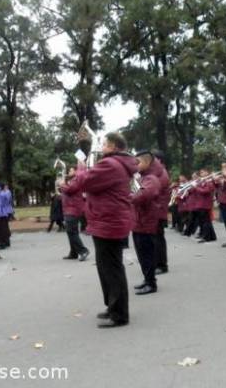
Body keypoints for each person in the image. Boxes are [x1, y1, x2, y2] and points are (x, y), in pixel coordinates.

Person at [72, 132, 137, 328]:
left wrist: (81, 168)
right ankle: (112, 306)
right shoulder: (116, 163)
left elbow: (84, 182)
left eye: (105, 144)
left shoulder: (110, 164)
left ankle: (119, 314)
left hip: (109, 222)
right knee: (107, 267)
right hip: (108, 221)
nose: (102, 147)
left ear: (115, 147)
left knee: (111, 269)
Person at [132, 151, 161, 295]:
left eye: (138, 162)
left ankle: (151, 283)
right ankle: (146, 279)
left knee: (147, 255)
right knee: (141, 254)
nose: (135, 165)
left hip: (147, 222)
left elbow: (141, 197)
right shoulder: (142, 178)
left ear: (147, 163)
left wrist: (127, 194)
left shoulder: (152, 179)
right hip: (138, 221)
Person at [60, 166, 90, 261]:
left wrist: (62, 185)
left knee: (71, 231)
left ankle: (83, 250)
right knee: (72, 231)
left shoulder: (77, 179)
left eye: (71, 170)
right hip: (69, 208)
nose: (69, 171)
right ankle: (73, 252)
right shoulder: (71, 180)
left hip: (73, 209)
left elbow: (70, 190)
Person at [152, 151, 171, 275]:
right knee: (155, 238)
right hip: (156, 210)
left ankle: (162, 264)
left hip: (158, 210)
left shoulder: (161, 174)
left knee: (158, 238)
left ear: (159, 160)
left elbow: (154, 190)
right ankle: (157, 262)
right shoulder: (157, 173)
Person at [193, 168, 217, 243]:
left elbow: (205, 191)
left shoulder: (209, 181)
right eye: (201, 173)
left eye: (203, 172)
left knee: (206, 221)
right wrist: (195, 183)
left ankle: (206, 237)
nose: (201, 174)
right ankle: (212, 236)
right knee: (206, 221)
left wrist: (196, 187)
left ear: (207, 173)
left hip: (206, 204)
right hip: (201, 203)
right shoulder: (203, 181)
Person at [0, 183, 13, 249]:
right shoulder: (6, 193)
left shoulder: (0, 194)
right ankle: (7, 241)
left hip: (0, 212)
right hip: (5, 211)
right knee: (5, 227)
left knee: (1, 228)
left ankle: (2, 243)